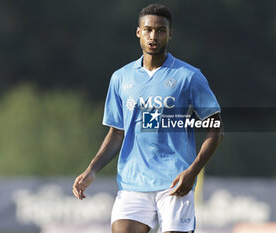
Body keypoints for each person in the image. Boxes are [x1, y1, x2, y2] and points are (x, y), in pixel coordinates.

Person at [72, 3, 223, 233]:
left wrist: (192, 172)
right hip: (133, 184)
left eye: (161, 30)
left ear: (170, 34)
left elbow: (216, 130)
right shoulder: (121, 78)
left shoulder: (189, 76)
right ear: (138, 32)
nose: (154, 36)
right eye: (148, 29)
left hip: (175, 182)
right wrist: (91, 170)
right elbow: (117, 133)